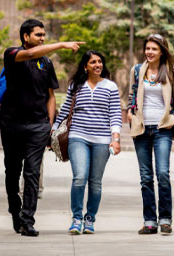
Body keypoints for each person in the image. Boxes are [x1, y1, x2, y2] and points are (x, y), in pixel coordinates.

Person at [0, 18, 84, 237]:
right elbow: (29, 55)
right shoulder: (12, 54)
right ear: (25, 36)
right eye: (38, 35)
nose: (42, 38)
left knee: (32, 173)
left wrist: (50, 123)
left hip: (38, 126)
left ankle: (27, 220)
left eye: (44, 35)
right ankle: (14, 208)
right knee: (12, 172)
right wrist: (62, 44)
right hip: (12, 125)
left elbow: (50, 96)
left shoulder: (46, 62)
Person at [52, 50, 122, 235]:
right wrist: (53, 128)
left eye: (100, 61)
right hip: (78, 136)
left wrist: (115, 139)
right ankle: (76, 218)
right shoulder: (76, 85)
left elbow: (115, 114)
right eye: (93, 62)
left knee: (96, 182)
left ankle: (89, 218)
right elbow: (67, 108)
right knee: (79, 177)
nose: (97, 65)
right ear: (85, 66)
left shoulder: (110, 87)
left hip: (102, 140)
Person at [127, 34, 174, 236]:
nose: (149, 52)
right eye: (148, 48)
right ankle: (150, 221)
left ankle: (166, 219)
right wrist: (130, 111)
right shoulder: (137, 71)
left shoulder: (171, 72)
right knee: (145, 177)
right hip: (141, 128)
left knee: (162, 174)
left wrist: (173, 118)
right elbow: (132, 95)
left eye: (154, 49)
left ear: (162, 51)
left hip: (162, 129)